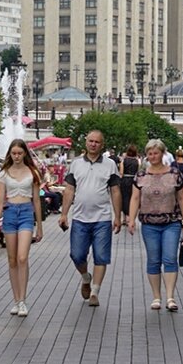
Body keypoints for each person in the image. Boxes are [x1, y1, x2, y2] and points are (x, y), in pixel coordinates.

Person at [59, 129, 121, 307]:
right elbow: (69, 189)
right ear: (86, 142)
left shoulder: (110, 165)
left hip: (102, 217)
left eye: (97, 142)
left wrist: (118, 216)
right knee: (77, 255)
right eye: (91, 141)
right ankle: (86, 277)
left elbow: (115, 191)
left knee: (101, 256)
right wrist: (64, 214)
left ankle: (95, 290)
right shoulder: (76, 164)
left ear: (102, 145)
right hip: (80, 217)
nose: (93, 144)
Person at [128, 139, 183, 311]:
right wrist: (131, 220)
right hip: (149, 223)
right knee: (153, 259)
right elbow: (135, 198)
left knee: (170, 258)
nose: (153, 156)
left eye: (156, 153)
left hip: (172, 222)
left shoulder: (174, 174)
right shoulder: (141, 176)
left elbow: (180, 198)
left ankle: (170, 297)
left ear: (162, 154)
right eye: (149, 153)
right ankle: (156, 296)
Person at [0, 138, 44, 316]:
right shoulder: (4, 173)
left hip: (26, 213)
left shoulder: (32, 172)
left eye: (20, 153)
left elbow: (37, 200)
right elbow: (0, 200)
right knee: (12, 259)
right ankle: (16, 300)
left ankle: (23, 300)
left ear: (25, 154)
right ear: (9, 154)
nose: (16, 156)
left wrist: (40, 226)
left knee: (23, 257)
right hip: (10, 213)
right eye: (13, 153)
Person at [119, 145, 139, 221]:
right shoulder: (137, 161)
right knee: (132, 198)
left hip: (125, 180)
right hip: (133, 180)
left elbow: (121, 172)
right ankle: (130, 218)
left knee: (124, 198)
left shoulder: (124, 161)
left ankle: (124, 218)